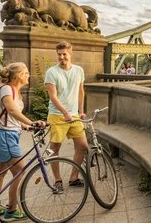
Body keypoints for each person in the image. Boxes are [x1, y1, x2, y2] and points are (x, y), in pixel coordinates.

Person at [0, 62, 45, 221]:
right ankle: (12, 210)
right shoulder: (7, 89)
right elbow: (12, 110)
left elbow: (11, 117)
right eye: (26, 72)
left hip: (7, 136)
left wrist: (27, 126)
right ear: (19, 75)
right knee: (20, 171)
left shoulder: (15, 91)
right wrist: (32, 122)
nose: (29, 75)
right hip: (5, 138)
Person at [45, 41, 88, 190]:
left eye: (64, 54)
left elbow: (81, 91)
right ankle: (57, 180)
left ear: (70, 53)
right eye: (59, 54)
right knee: (54, 149)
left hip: (74, 116)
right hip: (57, 116)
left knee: (82, 146)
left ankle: (73, 177)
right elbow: (53, 97)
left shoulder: (79, 70)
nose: (61, 57)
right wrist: (65, 113)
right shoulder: (52, 72)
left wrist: (81, 111)